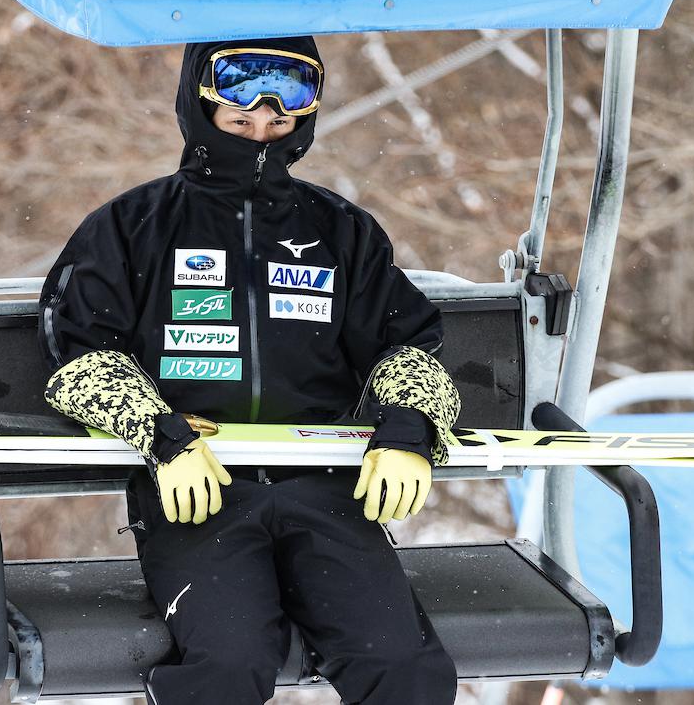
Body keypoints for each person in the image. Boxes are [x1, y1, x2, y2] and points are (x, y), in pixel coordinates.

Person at [38, 36, 461, 705]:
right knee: (230, 663)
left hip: (327, 488)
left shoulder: (338, 229)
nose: (259, 134)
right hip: (199, 490)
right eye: (239, 122)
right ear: (199, 109)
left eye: (278, 124)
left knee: (399, 663)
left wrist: (408, 429)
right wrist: (162, 437)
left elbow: (407, 344)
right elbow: (79, 353)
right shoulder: (135, 225)